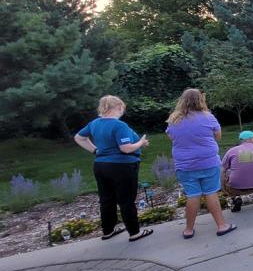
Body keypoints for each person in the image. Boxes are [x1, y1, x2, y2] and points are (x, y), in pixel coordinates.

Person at [74, 96, 154, 242]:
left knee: (106, 200)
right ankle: (134, 233)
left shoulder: (94, 124)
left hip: (101, 166)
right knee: (126, 200)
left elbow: (79, 138)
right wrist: (140, 143)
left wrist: (95, 150)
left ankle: (108, 231)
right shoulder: (119, 125)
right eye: (122, 108)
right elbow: (125, 148)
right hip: (122, 167)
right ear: (118, 107)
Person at [167, 89, 236, 239]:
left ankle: (188, 230)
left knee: (193, 195)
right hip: (208, 162)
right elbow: (218, 136)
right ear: (200, 100)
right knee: (211, 193)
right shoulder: (208, 117)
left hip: (185, 166)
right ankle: (221, 226)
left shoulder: (174, 119)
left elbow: (171, 136)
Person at [221, 130, 253, 212]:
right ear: (251, 138)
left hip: (235, 188)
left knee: (226, 173)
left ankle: (236, 197)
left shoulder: (232, 151)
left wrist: (222, 187)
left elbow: (222, 169)